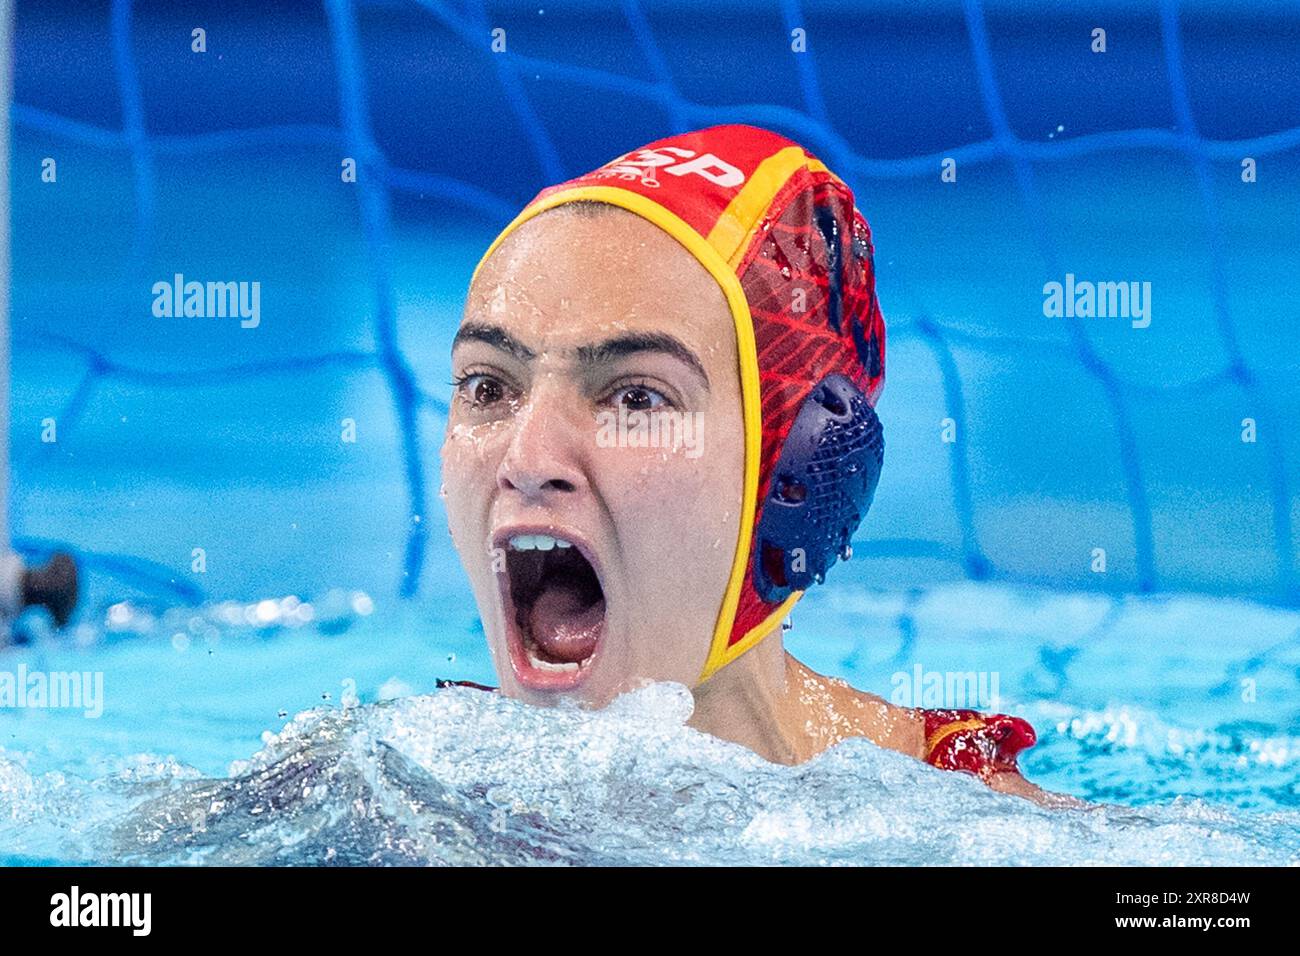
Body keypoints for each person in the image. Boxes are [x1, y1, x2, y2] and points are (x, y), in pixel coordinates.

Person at [440, 124, 1079, 808]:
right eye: (489, 388)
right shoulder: (410, 774)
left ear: (798, 471)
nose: (527, 460)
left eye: (634, 397)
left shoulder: (964, 818)